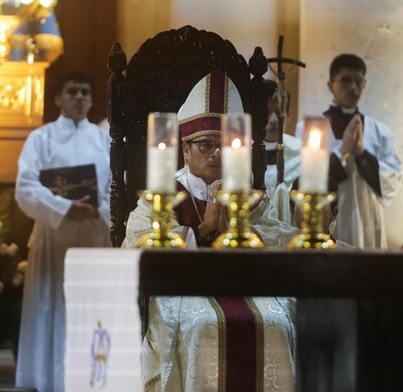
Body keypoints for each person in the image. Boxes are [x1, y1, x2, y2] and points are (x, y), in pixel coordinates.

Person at [123, 70, 298, 391]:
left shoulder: (247, 195)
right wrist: (201, 231)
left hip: (247, 290)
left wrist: (247, 232)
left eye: (226, 145)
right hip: (179, 295)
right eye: (206, 144)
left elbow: (282, 239)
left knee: (276, 324)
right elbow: (133, 248)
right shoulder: (162, 195)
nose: (217, 154)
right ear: (185, 150)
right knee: (202, 325)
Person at [15, 70, 112, 391]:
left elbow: (116, 188)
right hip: (55, 236)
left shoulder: (104, 140)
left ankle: (92, 380)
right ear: (58, 98)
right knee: (53, 305)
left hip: (94, 235)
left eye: (86, 92)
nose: (80, 98)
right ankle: (50, 380)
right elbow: (25, 188)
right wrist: (64, 206)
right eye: (72, 92)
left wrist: (97, 208)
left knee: (91, 308)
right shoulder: (40, 139)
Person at [298, 54, 402, 248]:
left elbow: (392, 181)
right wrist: (342, 151)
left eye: (358, 81)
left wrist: (362, 155)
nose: (353, 88)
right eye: (346, 80)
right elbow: (301, 180)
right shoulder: (308, 129)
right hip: (327, 217)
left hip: (367, 219)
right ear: (331, 85)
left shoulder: (380, 132)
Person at [264, 79, 301, 225]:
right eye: (267, 112)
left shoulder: (303, 153)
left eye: (279, 113)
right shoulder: (241, 152)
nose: (273, 120)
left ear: (288, 116)